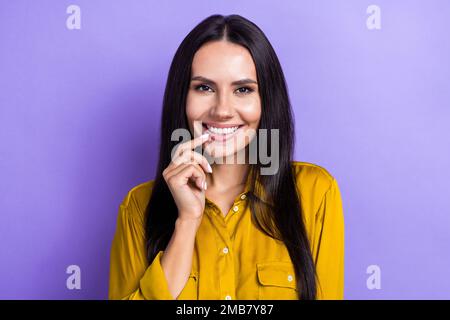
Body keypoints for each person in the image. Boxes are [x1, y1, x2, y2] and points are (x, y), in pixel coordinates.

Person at [109, 14, 344, 300]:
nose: (222, 110)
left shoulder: (315, 193)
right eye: (204, 88)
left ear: (266, 100)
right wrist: (186, 222)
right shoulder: (139, 207)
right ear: (182, 97)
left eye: (243, 89)